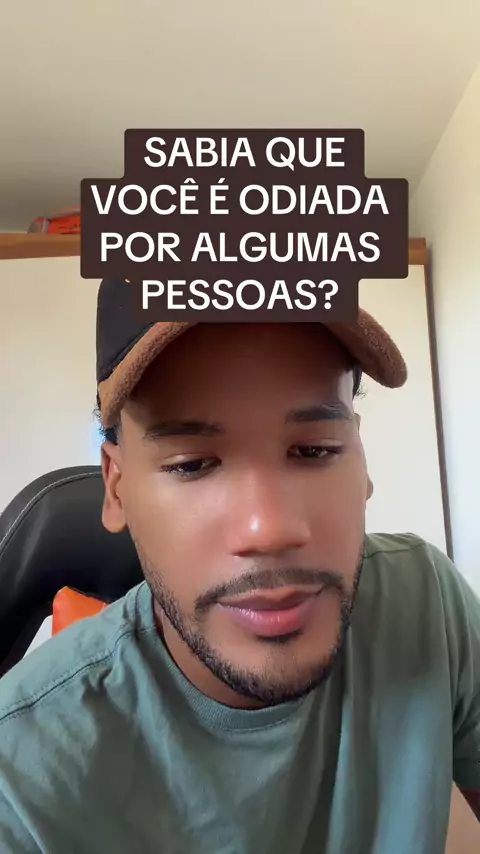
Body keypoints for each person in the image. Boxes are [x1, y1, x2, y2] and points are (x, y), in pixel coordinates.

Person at [0, 277, 479, 854]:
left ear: (361, 455)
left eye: (315, 450)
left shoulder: (427, 602)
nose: (269, 529)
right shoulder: (18, 781)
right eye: (193, 464)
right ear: (117, 485)